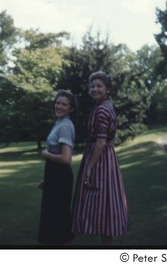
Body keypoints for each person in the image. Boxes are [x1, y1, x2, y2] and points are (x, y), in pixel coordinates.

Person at [71, 71, 129, 246]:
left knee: (102, 201)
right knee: (104, 202)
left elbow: (101, 141)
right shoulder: (104, 105)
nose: (95, 89)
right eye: (93, 86)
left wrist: (89, 168)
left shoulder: (103, 109)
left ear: (108, 89)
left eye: (99, 86)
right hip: (106, 158)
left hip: (101, 160)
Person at [38, 89, 78, 245]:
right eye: (57, 103)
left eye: (64, 104)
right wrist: (47, 179)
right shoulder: (59, 123)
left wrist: (46, 154)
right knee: (52, 217)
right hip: (55, 175)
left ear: (71, 109)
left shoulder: (65, 126)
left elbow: (66, 158)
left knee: (57, 219)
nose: (59, 106)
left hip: (60, 177)